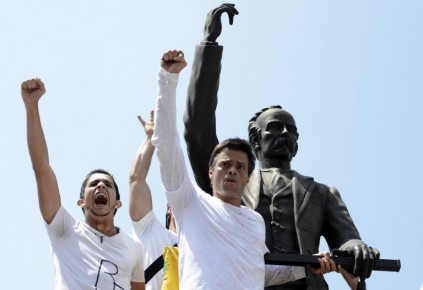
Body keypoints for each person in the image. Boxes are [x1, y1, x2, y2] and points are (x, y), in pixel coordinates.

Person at [183, 4, 379, 290]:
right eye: (275, 127)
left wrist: (356, 248)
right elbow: (197, 130)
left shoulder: (322, 194)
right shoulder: (230, 180)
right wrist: (209, 46)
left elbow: (346, 240)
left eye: (292, 130)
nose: (285, 133)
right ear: (255, 140)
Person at [152, 49, 339, 290]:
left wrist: (307, 265)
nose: (232, 171)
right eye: (225, 165)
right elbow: (167, 144)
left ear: (247, 176)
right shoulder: (190, 203)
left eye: (240, 167)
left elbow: (260, 273)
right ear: (211, 172)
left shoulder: (255, 221)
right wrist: (167, 80)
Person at [21, 78, 145, 290]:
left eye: (107, 184)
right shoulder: (63, 228)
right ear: (81, 202)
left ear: (118, 203)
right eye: (94, 184)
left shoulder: (134, 248)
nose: (101, 186)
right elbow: (41, 168)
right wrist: (31, 106)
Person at [129, 110, 177, 290]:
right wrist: (151, 138)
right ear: (169, 208)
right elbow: (136, 178)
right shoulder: (150, 230)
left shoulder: (205, 246)